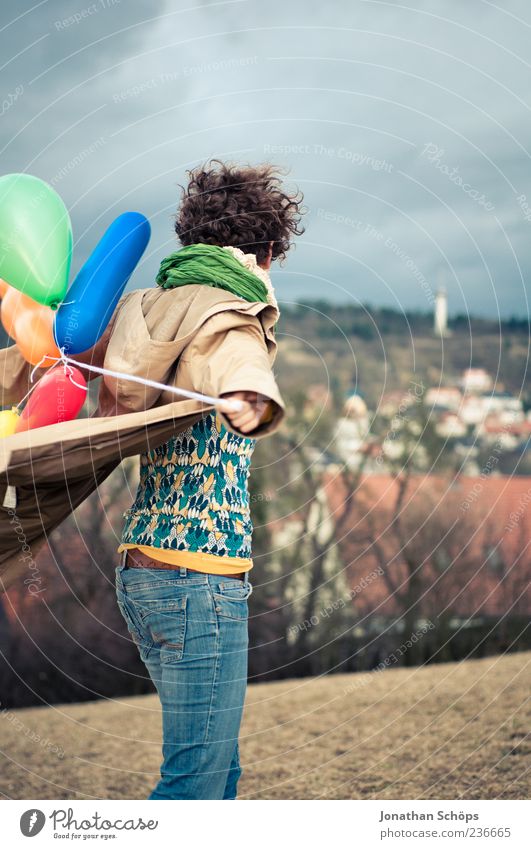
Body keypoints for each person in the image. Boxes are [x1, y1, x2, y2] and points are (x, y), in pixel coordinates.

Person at [114, 160, 305, 800]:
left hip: (142, 575)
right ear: (268, 249)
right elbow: (237, 354)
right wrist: (252, 394)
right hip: (197, 582)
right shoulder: (226, 311)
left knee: (218, 774)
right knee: (195, 785)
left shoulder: (153, 311)